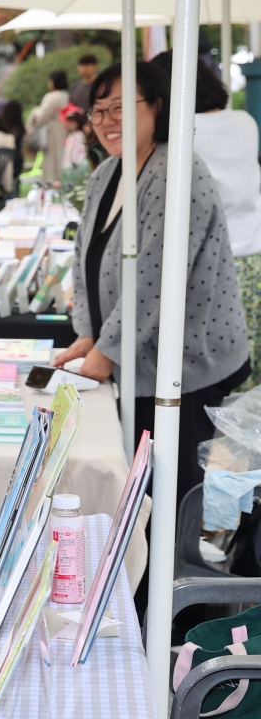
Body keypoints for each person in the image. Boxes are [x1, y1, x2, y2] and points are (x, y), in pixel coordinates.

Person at [54, 61, 249, 522]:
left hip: (184, 366)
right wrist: (90, 334)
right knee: (139, 494)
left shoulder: (176, 172)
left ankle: (174, 593)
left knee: (170, 501)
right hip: (136, 357)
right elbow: (85, 260)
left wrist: (109, 349)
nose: (106, 121)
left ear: (158, 106)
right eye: (98, 110)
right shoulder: (108, 173)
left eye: (120, 107)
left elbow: (155, 276)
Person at [152, 50, 261, 389]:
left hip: (212, 265)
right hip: (255, 254)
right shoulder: (245, 120)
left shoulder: (183, 133)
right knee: (250, 380)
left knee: (215, 379)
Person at [27, 70, 70, 184]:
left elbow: (42, 116)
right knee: (62, 158)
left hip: (51, 133)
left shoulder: (52, 96)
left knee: (51, 161)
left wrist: (34, 111)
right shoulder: (66, 95)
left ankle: (51, 185)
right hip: (64, 130)